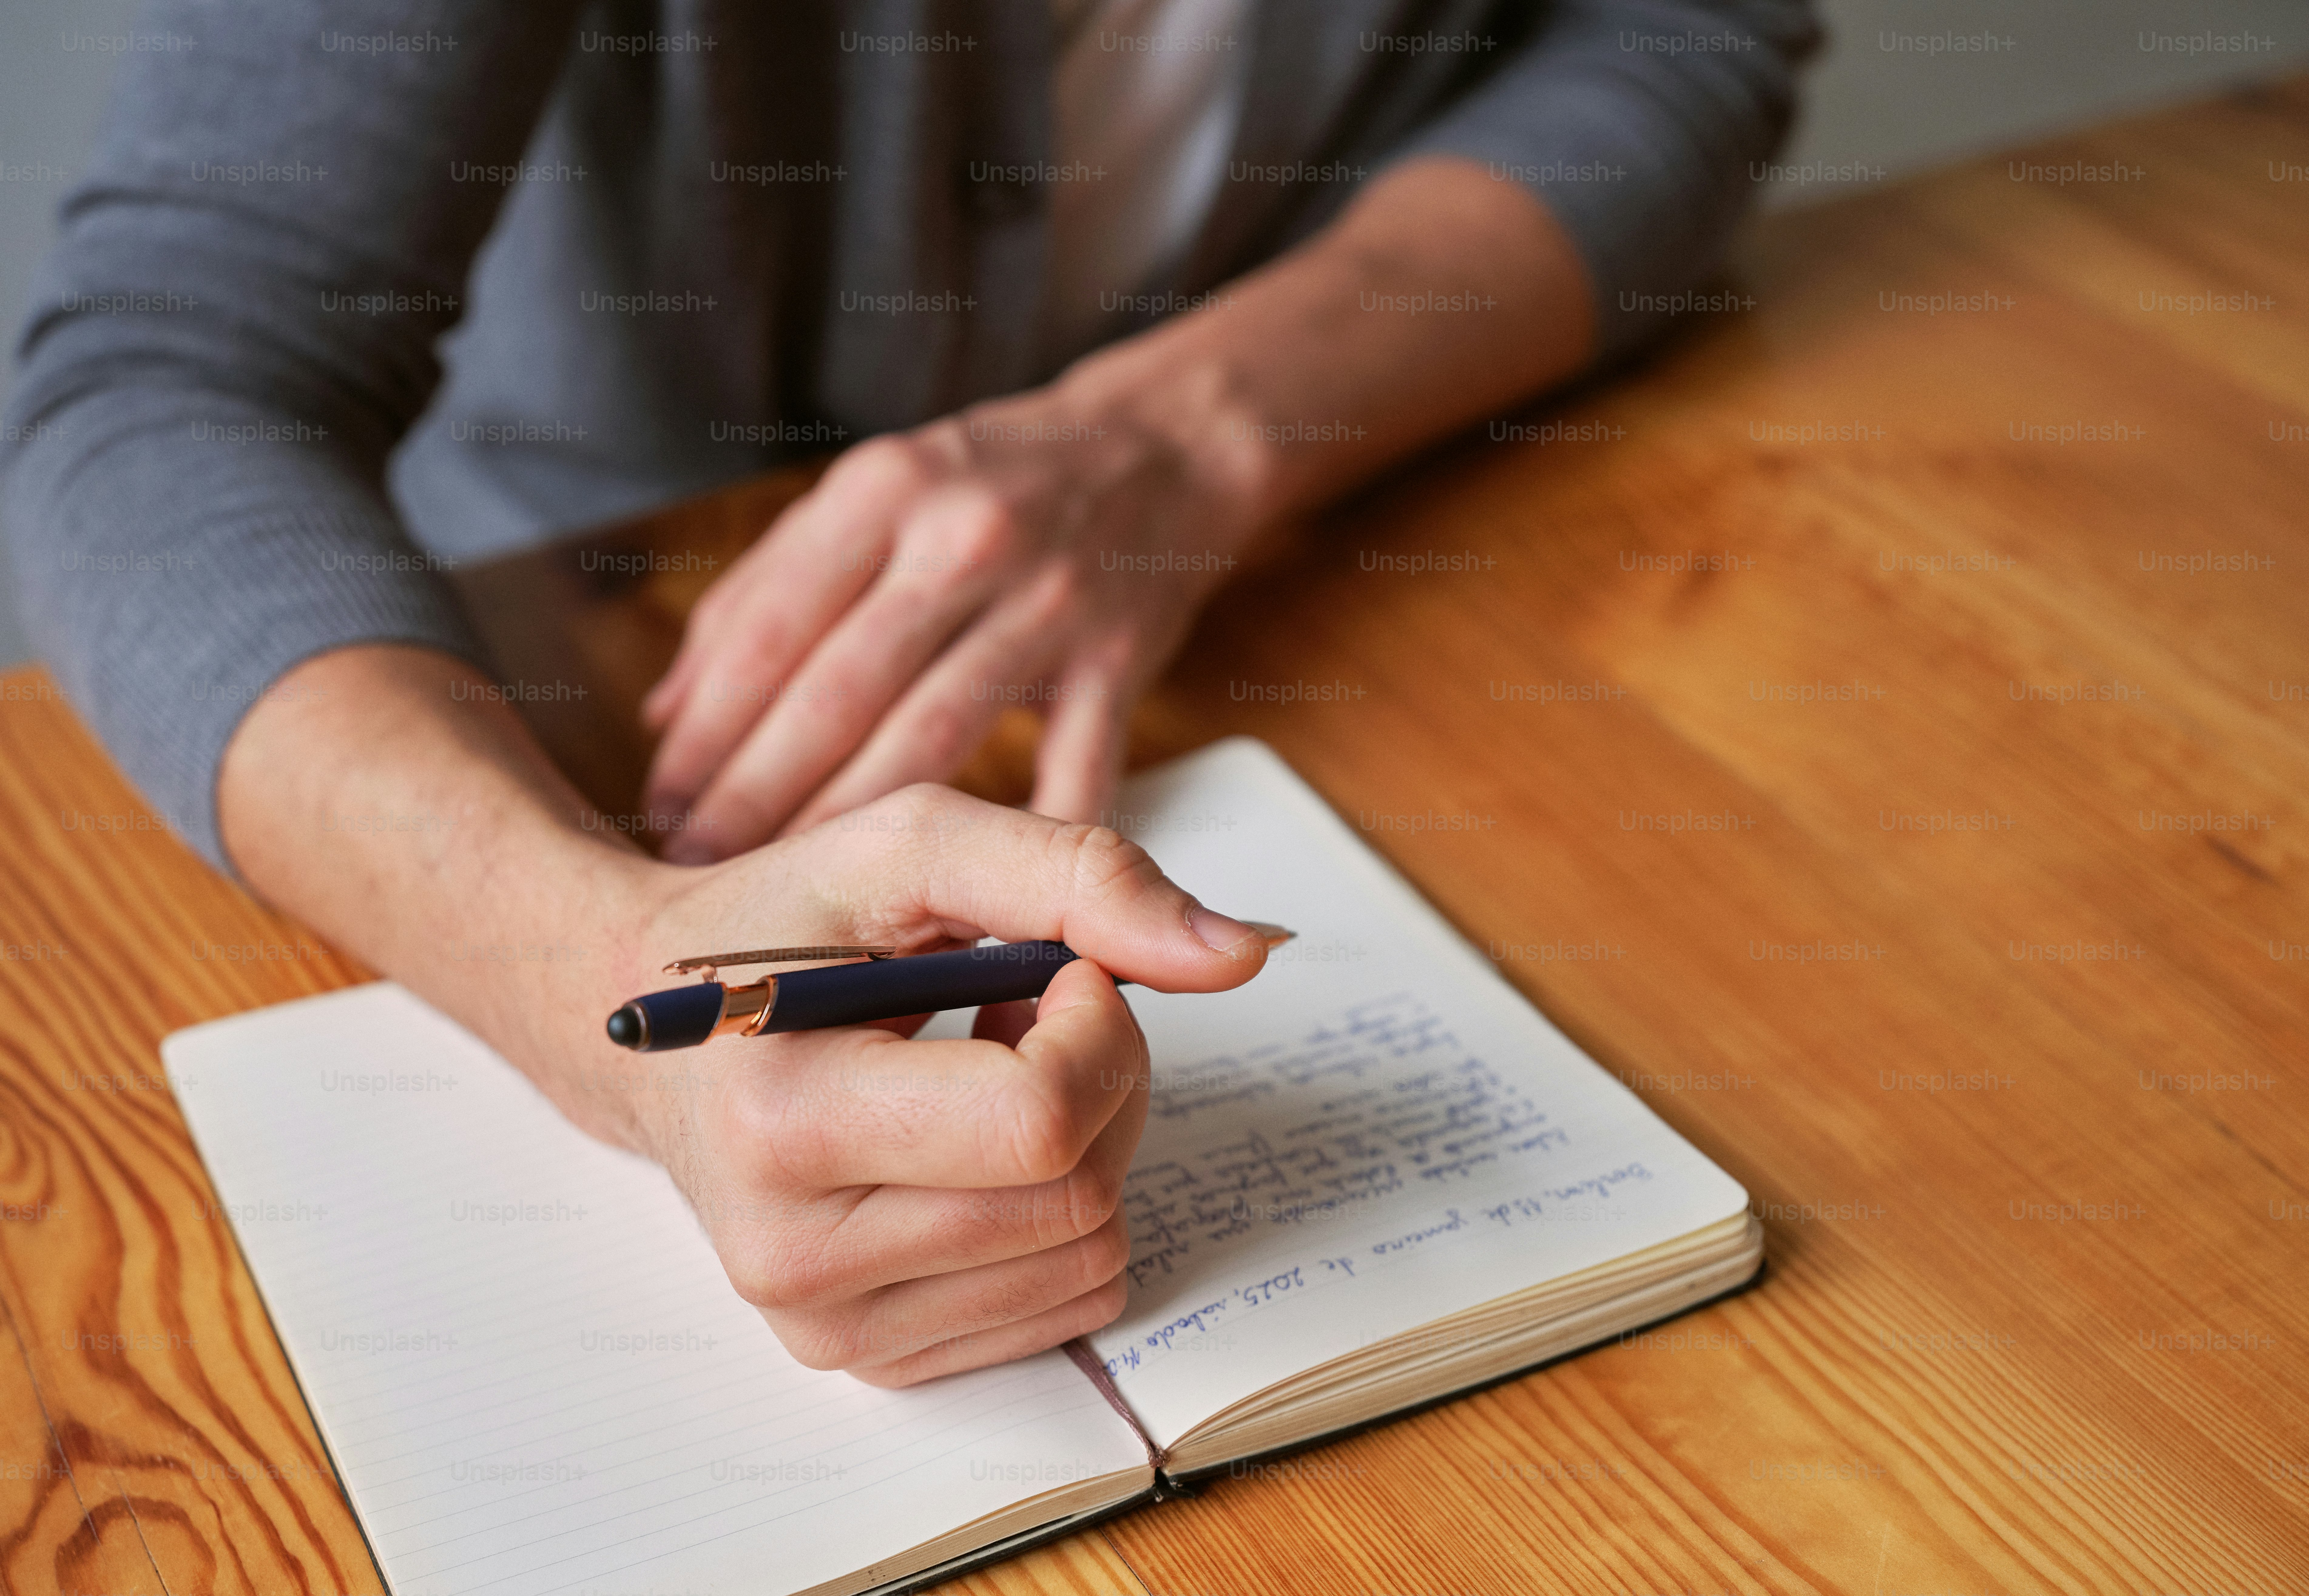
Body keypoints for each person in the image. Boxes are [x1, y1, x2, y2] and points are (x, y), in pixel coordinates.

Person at [0, 0, 1816, 1382]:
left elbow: (1685, 38)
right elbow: (157, 380)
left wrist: (1202, 424)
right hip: (574, 675)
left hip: (1365, 571)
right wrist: (586, 966)